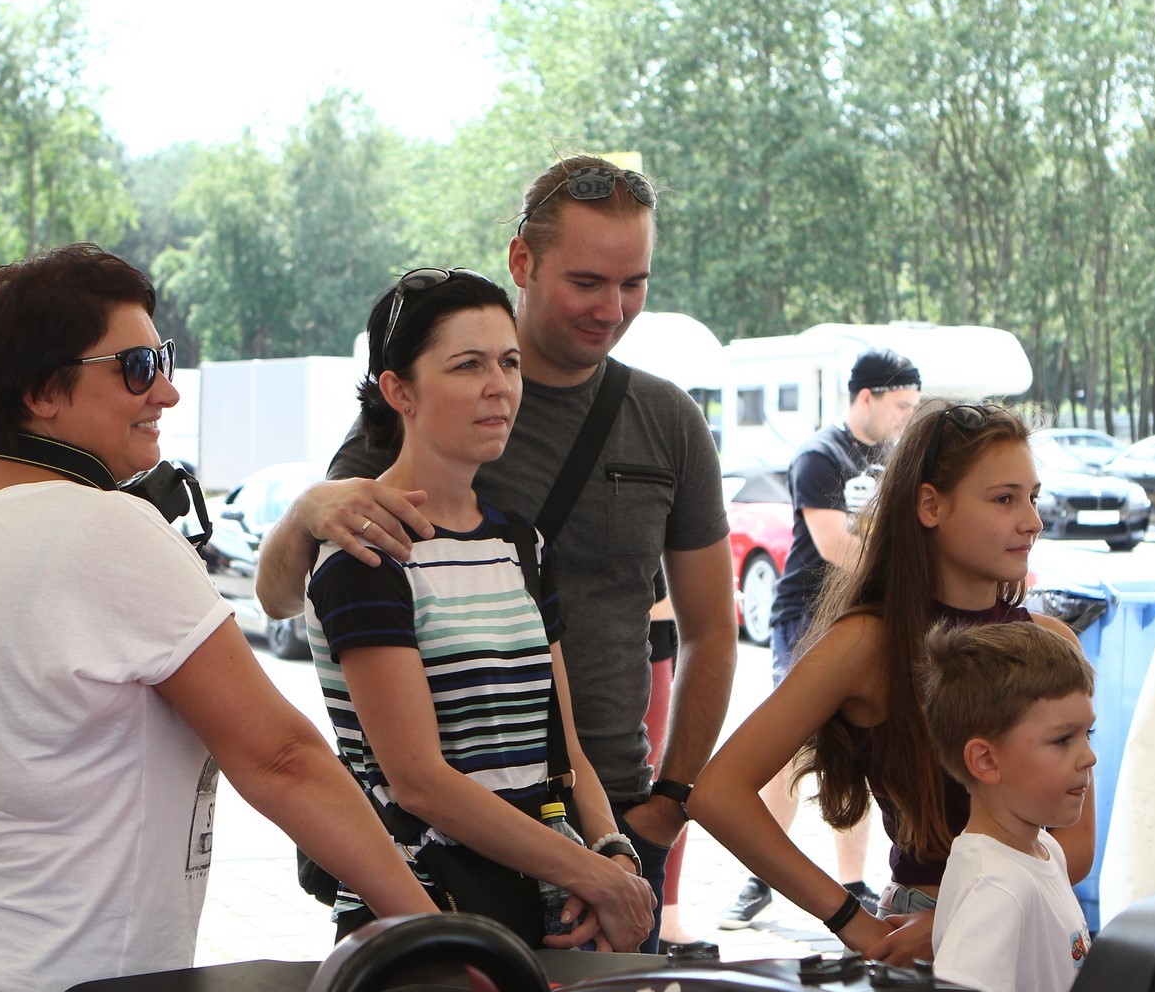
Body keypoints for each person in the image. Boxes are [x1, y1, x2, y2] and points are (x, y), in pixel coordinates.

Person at [0, 244, 435, 992]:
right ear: (43, 391)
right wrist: (435, 936)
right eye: (138, 367)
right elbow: (283, 759)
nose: (167, 392)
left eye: (163, 360)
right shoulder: (105, 529)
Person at [257, 155, 736, 950]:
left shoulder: (662, 425)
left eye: (634, 284)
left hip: (602, 819)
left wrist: (655, 816)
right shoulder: (412, 423)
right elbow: (285, 598)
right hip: (442, 860)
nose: (612, 309)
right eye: (587, 282)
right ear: (523, 262)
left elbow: (712, 630)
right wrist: (305, 512)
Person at [305, 268, 655, 951]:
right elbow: (419, 783)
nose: (500, 386)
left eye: (510, 363)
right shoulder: (369, 550)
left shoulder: (520, 543)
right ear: (399, 390)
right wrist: (589, 873)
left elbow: (564, 747)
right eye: (468, 365)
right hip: (421, 919)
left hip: (546, 909)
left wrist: (611, 850)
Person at [689, 401, 1093, 964]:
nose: (1032, 521)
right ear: (930, 505)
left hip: (1036, 922)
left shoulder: (1053, 641)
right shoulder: (868, 644)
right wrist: (849, 919)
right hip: (923, 938)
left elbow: (1076, 845)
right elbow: (717, 793)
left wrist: (968, 915)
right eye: (1005, 499)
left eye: (1033, 497)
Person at [722, 347, 922, 929]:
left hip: (866, 619)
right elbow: (837, 545)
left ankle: (854, 883)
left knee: (863, 746)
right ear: (868, 397)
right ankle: (760, 874)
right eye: (901, 405)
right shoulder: (820, 455)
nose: (908, 417)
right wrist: (910, 580)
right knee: (794, 749)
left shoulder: (897, 456)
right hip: (807, 619)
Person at [923, 621, 1095, 992]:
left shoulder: (1044, 850)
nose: (1088, 756)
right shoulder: (998, 888)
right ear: (986, 761)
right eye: (1062, 740)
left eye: (1088, 733)